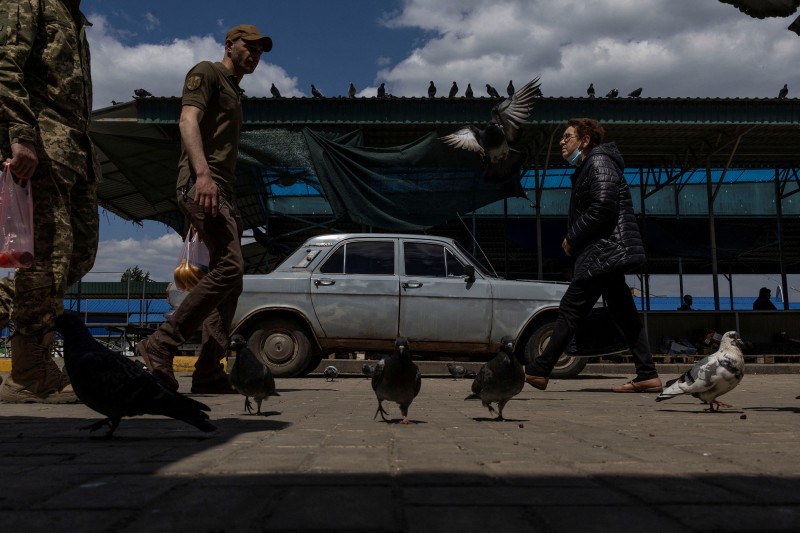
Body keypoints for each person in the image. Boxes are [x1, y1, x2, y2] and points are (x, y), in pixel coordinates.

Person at [136, 24, 271, 393]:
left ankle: (210, 370)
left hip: (220, 190)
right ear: (230, 45)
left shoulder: (234, 90)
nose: (255, 55)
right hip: (203, 186)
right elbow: (187, 120)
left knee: (232, 280)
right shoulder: (206, 72)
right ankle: (161, 343)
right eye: (250, 47)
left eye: (260, 52)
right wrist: (202, 176)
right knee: (230, 267)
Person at [0, 0, 98, 403]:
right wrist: (19, 133)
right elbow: (5, 63)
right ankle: (28, 372)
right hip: (42, 143)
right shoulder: (31, 0)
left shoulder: (74, 15)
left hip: (75, 150)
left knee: (79, 254)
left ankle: (12, 315)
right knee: (48, 260)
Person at [524, 118, 662, 393]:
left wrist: (572, 237)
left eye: (567, 136)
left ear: (585, 141)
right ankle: (647, 374)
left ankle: (540, 369)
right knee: (624, 313)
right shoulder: (592, 165)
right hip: (606, 252)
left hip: (603, 251)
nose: (562, 142)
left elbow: (603, 206)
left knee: (570, 309)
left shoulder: (597, 162)